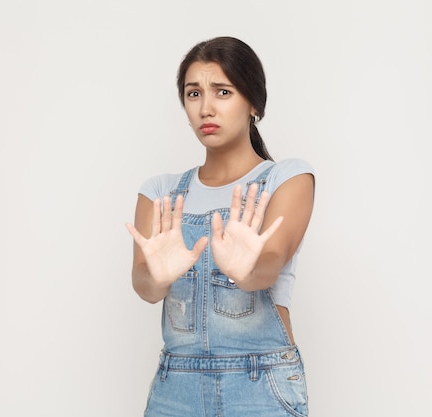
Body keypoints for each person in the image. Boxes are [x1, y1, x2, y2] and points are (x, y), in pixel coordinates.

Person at [126, 36, 315, 417]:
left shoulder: (287, 178)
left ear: (253, 104)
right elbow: (145, 287)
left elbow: (271, 263)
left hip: (260, 385)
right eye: (193, 94)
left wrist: (248, 270)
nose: (206, 108)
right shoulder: (161, 192)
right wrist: (158, 278)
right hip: (175, 390)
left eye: (222, 92)